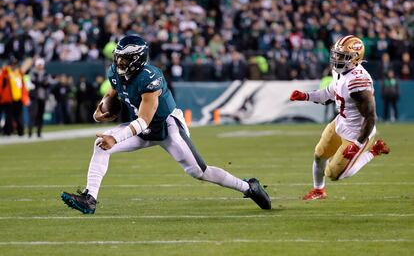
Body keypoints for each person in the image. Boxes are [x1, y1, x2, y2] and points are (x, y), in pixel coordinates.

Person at [61, 35, 271, 214]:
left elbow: (145, 119)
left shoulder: (151, 78)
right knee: (100, 145)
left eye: (123, 60)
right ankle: (90, 199)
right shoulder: (115, 73)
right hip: (141, 127)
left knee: (199, 172)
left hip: (166, 126)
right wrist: (100, 112)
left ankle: (248, 187)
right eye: (118, 58)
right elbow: (110, 96)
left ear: (136, 60)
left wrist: (115, 137)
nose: (118, 63)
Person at [290, 35, 390, 200]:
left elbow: (371, 118)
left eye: (342, 56)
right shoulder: (340, 72)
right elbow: (328, 93)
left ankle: (374, 151)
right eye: (336, 54)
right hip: (340, 122)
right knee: (319, 154)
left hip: (357, 133)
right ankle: (318, 191)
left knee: (334, 174)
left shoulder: (358, 83)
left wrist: (357, 144)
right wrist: (305, 96)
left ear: (355, 58)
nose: (337, 59)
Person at [28, 58, 50, 138]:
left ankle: (39, 132)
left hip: (42, 97)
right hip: (34, 97)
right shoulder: (32, 72)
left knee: (40, 115)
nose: (40, 66)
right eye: (39, 65)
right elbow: (33, 82)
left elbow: (47, 84)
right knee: (33, 115)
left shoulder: (45, 73)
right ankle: (30, 132)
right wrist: (41, 83)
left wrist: (41, 83)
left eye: (41, 65)